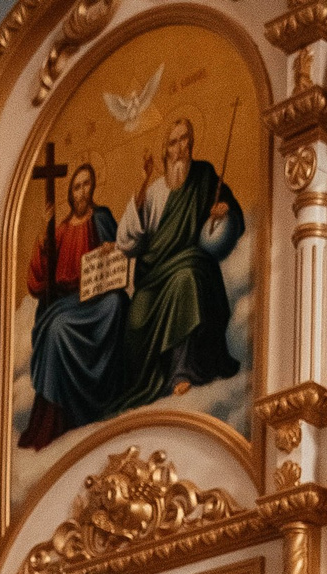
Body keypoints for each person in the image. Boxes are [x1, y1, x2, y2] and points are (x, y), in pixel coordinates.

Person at [114, 116, 245, 414]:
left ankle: (182, 369)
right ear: (165, 152)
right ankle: (147, 382)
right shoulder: (155, 191)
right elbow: (128, 241)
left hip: (193, 263)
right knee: (135, 317)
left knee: (185, 280)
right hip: (154, 273)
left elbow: (229, 208)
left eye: (184, 139)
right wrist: (142, 182)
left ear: (192, 142)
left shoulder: (203, 176)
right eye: (173, 142)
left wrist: (224, 210)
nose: (180, 147)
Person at [19, 157, 127, 452]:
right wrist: (43, 235)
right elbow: (39, 279)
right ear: (70, 193)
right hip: (67, 302)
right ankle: (59, 415)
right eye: (76, 187)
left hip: (98, 295)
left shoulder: (101, 218)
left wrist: (112, 248)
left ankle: (107, 394)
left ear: (93, 187)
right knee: (56, 328)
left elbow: (123, 252)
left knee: (117, 304)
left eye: (86, 185)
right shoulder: (61, 230)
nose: (81, 191)